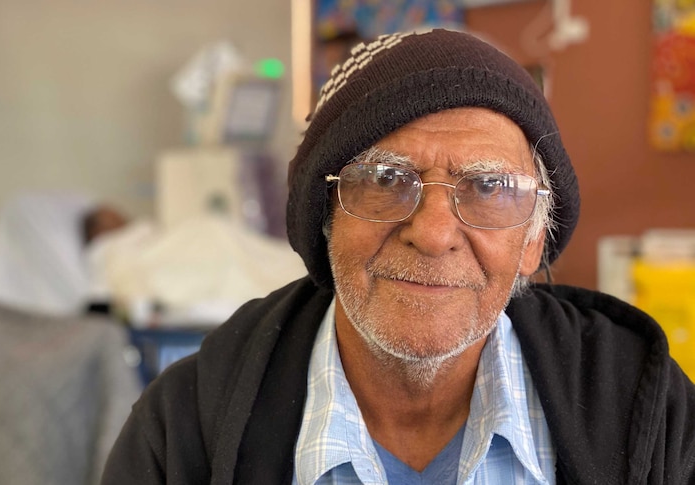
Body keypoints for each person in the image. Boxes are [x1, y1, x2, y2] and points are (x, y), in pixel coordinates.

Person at [101, 29, 695, 484]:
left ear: (533, 239)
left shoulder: (645, 411)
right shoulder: (186, 428)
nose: (434, 234)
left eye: (488, 188)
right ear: (324, 215)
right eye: (385, 179)